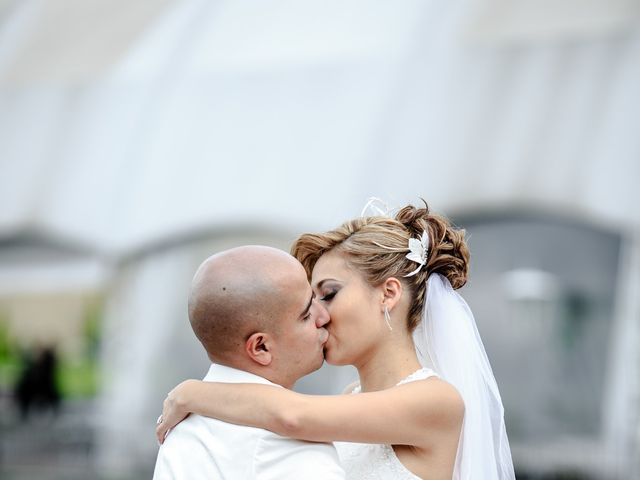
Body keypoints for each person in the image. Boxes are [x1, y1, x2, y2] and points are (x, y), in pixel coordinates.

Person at [157, 202, 515, 479]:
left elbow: (291, 415)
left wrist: (192, 393)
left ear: (388, 294)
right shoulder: (347, 400)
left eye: (328, 295)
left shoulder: (436, 400)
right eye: (309, 305)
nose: (320, 316)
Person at [152, 246, 345, 479]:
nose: (323, 316)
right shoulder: (284, 445)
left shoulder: (180, 426)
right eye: (306, 314)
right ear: (260, 347)